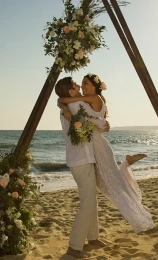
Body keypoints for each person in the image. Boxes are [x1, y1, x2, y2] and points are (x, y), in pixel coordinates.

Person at [58, 73, 155, 234]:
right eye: (81, 83)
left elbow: (66, 100)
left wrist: (64, 102)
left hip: (98, 147)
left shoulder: (94, 98)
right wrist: (64, 104)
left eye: (85, 83)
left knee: (114, 185)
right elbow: (73, 107)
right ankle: (126, 164)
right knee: (111, 184)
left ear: (95, 87)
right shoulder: (85, 101)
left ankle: (127, 169)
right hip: (95, 147)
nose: (82, 86)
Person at [55, 77, 109, 259]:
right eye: (76, 85)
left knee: (90, 199)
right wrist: (103, 125)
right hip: (81, 160)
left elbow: (62, 102)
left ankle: (93, 237)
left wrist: (62, 104)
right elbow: (93, 120)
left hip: (81, 159)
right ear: (70, 91)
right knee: (87, 203)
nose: (79, 85)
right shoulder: (75, 105)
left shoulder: (71, 105)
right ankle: (74, 246)